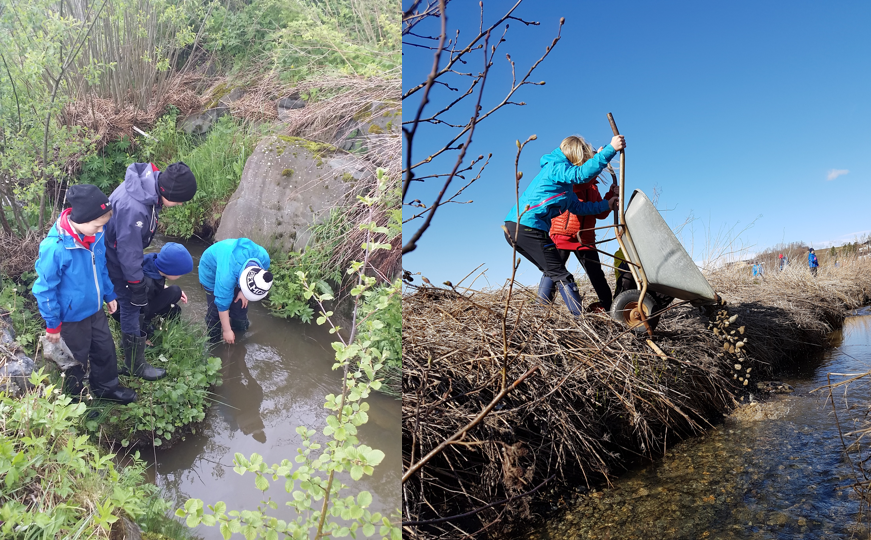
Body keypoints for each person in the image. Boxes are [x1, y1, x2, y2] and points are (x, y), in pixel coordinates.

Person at [32, 185, 136, 404]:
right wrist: (52, 324)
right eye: (98, 226)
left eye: (103, 226)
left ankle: (106, 388)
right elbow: (44, 289)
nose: (101, 231)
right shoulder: (56, 247)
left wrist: (109, 294)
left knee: (104, 349)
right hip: (71, 318)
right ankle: (76, 401)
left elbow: (101, 268)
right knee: (75, 360)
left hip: (95, 309)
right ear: (82, 219)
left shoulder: (95, 236)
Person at [504, 134, 623, 316]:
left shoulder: (570, 188)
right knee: (557, 273)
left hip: (580, 237)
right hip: (546, 230)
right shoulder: (558, 169)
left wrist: (607, 201)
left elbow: (581, 207)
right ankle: (562, 315)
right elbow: (581, 177)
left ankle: (606, 309)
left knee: (565, 272)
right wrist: (609, 150)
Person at [104, 162, 197, 381]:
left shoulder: (149, 187)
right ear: (168, 192)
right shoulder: (134, 209)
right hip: (114, 259)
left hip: (120, 251)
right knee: (130, 306)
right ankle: (134, 365)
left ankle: (133, 344)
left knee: (133, 304)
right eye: (181, 200)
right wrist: (136, 285)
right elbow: (128, 253)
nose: (182, 204)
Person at [548, 147, 618, 312]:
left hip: (584, 239)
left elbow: (600, 213)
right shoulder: (573, 179)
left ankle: (609, 308)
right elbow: (580, 183)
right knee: (553, 273)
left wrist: (610, 196)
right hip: (563, 236)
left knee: (597, 276)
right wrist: (601, 157)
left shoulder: (593, 187)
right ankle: (542, 307)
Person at [113, 242, 193, 342]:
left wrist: (165, 287)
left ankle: (173, 331)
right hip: (125, 310)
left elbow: (156, 282)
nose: (181, 276)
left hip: (131, 300)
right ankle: (145, 331)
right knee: (175, 291)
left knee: (175, 310)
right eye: (180, 274)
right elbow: (140, 309)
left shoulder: (151, 261)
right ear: (170, 270)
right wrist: (144, 333)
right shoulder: (148, 283)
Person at [198, 238, 273, 344]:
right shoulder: (226, 277)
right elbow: (222, 305)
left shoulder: (263, 258)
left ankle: (239, 333)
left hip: (233, 264)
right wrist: (227, 330)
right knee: (215, 311)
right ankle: (212, 340)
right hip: (211, 270)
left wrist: (244, 293)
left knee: (240, 307)